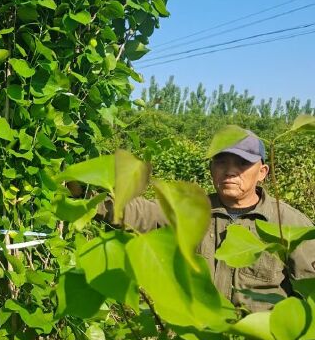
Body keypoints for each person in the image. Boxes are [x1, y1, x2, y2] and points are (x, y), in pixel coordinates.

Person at [88, 131, 315, 312]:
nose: (230, 171)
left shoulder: (291, 224)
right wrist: (85, 197)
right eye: (222, 162)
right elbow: (140, 212)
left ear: (263, 172)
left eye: (242, 163)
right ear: (211, 169)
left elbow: (310, 291)